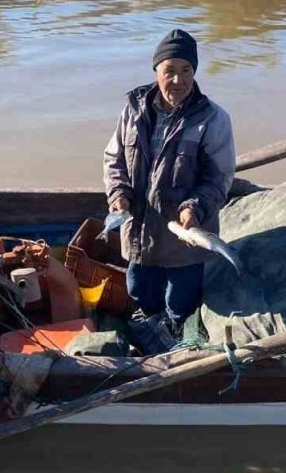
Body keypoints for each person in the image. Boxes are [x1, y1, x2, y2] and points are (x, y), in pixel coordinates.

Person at [102, 29, 236, 353]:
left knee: (180, 303)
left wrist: (195, 208)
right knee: (139, 291)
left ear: (195, 71)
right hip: (139, 230)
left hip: (185, 238)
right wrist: (118, 193)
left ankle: (175, 335)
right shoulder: (133, 109)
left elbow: (218, 178)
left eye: (186, 70)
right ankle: (149, 326)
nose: (178, 80)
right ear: (156, 71)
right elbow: (113, 158)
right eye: (170, 71)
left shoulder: (212, 118)